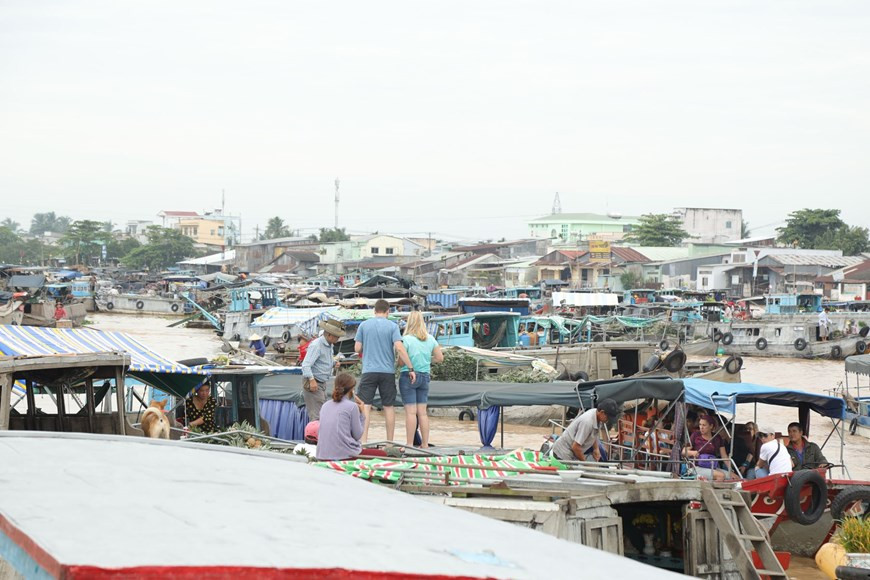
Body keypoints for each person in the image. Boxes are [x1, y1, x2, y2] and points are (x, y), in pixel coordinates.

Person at [355, 299, 415, 443]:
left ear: (374, 311)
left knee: (366, 406)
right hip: (387, 372)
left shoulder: (364, 325)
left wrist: (367, 348)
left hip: (369, 371)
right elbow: (399, 348)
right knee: (388, 406)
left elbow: (357, 349)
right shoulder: (392, 326)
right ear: (388, 311)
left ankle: (363, 442)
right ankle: (389, 442)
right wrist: (411, 368)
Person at [400, 311, 443, 448]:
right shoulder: (430, 338)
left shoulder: (405, 339)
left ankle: (409, 444)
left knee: (411, 412)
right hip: (425, 376)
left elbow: (401, 362)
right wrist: (426, 361)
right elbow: (440, 358)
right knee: (422, 413)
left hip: (408, 376)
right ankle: (424, 444)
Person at [300, 319, 346, 420]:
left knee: (320, 414)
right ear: (329, 335)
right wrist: (312, 380)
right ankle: (315, 435)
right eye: (337, 336)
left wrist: (333, 363)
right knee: (317, 416)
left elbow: (323, 360)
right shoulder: (317, 345)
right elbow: (306, 365)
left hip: (320, 383)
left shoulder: (329, 345)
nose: (338, 338)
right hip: (314, 382)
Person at [316, 373, 366, 461]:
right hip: (344, 455)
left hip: (322, 455)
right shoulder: (352, 406)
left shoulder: (325, 405)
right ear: (352, 389)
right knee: (383, 454)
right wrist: (362, 414)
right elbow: (357, 435)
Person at [551, 399, 619, 462]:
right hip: (563, 453)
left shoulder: (596, 414)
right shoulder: (587, 422)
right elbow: (575, 447)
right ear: (602, 412)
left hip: (572, 451)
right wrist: (585, 463)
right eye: (608, 418)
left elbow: (593, 434)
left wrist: (596, 449)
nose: (607, 420)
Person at [683, 415, 730, 481]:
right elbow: (683, 452)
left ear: (711, 426)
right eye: (700, 425)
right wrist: (692, 452)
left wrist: (731, 469)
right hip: (696, 467)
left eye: (704, 425)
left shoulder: (717, 437)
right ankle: (711, 490)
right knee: (721, 476)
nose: (701, 427)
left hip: (712, 467)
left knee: (733, 477)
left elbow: (724, 456)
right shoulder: (695, 435)